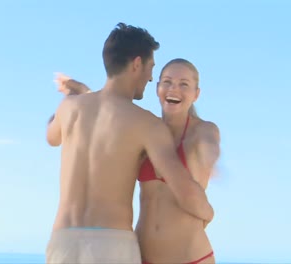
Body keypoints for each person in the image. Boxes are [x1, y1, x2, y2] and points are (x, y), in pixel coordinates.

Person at [45, 22, 214, 264]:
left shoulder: (69, 108)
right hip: (112, 243)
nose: (151, 77)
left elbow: (52, 137)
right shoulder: (146, 123)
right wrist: (208, 212)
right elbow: (183, 187)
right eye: (150, 68)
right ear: (137, 64)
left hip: (63, 241)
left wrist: (79, 95)